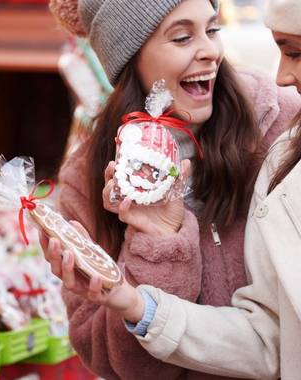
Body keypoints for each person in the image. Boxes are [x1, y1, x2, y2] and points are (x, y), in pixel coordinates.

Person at [44, 0, 301, 379]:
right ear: (129, 58)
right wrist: (158, 249)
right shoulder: (88, 178)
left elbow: (274, 337)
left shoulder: (282, 126)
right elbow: (112, 361)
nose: (211, 50)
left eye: (212, 30)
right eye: (182, 37)